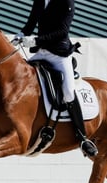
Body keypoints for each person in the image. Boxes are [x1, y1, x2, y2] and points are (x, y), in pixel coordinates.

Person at [13, 0, 98, 157]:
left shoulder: (66, 2)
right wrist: (21, 34)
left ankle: (82, 138)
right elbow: (31, 22)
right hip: (42, 52)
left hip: (59, 55)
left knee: (68, 92)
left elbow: (62, 31)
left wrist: (36, 40)